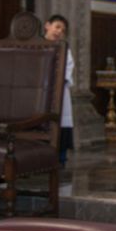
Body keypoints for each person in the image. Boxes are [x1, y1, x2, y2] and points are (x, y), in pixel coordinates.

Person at [44, 14, 75, 167]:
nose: (58, 31)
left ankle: (60, 159)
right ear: (47, 25)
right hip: (39, 92)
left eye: (62, 30)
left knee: (60, 125)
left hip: (58, 92)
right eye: (57, 27)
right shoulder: (36, 45)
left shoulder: (64, 50)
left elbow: (67, 69)